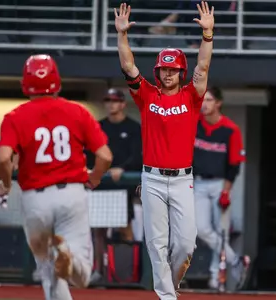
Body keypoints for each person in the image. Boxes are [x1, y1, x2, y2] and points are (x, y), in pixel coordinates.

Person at [114, 1, 214, 299]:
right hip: (153, 178)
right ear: (157, 71)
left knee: (186, 243)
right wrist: (122, 36)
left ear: (180, 71)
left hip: (183, 179)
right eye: (163, 69)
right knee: (156, 242)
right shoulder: (147, 94)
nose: (168, 74)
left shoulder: (191, 96)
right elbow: (128, 66)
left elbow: (204, 66)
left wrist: (208, 35)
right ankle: (166, 296)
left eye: (173, 69)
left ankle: (171, 283)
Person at [0, 54, 113, 300]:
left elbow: (3, 158)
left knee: (48, 273)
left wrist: (5, 184)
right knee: (82, 277)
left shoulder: (15, 117)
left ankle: (61, 257)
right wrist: (96, 177)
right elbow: (105, 156)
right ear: (57, 82)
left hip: (35, 200)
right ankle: (66, 255)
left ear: (24, 84)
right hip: (71, 193)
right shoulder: (77, 112)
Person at [192, 86, 250, 290]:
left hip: (219, 183)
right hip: (198, 183)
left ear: (218, 103)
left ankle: (216, 276)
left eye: (209, 100)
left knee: (220, 230)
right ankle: (235, 261)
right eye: (202, 100)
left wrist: (226, 191)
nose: (204, 104)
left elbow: (234, 165)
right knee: (202, 229)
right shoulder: (193, 124)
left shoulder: (230, 129)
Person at [86, 88, 142, 284]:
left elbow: (138, 156)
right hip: (102, 184)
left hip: (122, 185)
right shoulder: (98, 126)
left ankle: (129, 272)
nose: (111, 104)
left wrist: (123, 169)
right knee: (98, 230)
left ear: (123, 104)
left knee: (125, 226)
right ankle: (99, 270)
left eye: (115, 101)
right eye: (108, 100)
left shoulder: (134, 128)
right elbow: (89, 153)